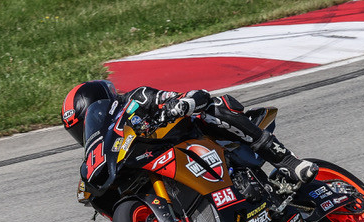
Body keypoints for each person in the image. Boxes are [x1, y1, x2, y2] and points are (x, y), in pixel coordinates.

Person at [61, 80, 317, 196]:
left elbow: (193, 95)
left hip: (199, 139)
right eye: (79, 130)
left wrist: (179, 105)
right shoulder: (110, 148)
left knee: (211, 107)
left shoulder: (136, 99)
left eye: (86, 121)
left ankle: (288, 162)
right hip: (163, 166)